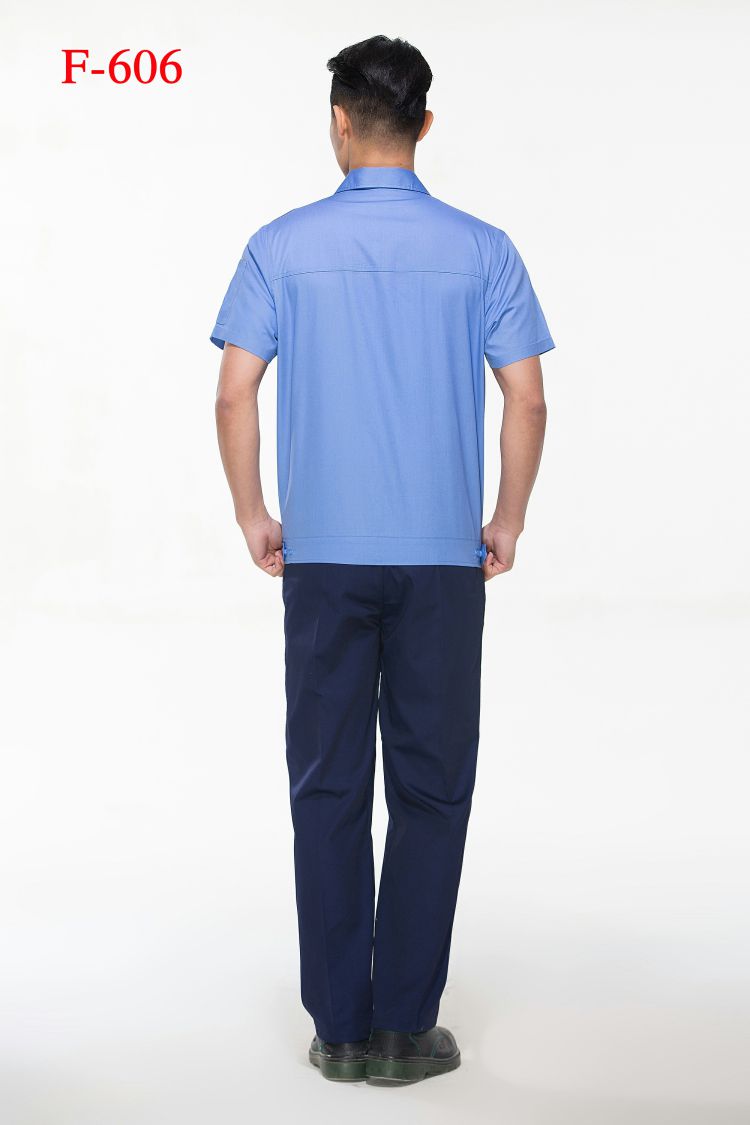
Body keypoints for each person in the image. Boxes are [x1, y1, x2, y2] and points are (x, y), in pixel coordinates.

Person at [210, 34, 554, 1087]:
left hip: (321, 559)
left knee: (326, 786)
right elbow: (527, 398)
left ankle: (339, 1029)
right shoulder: (484, 249)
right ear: (425, 124)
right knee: (432, 786)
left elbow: (234, 392)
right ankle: (406, 1029)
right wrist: (507, 520)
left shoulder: (279, 246)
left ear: (339, 121)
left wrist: (254, 514)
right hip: (443, 561)